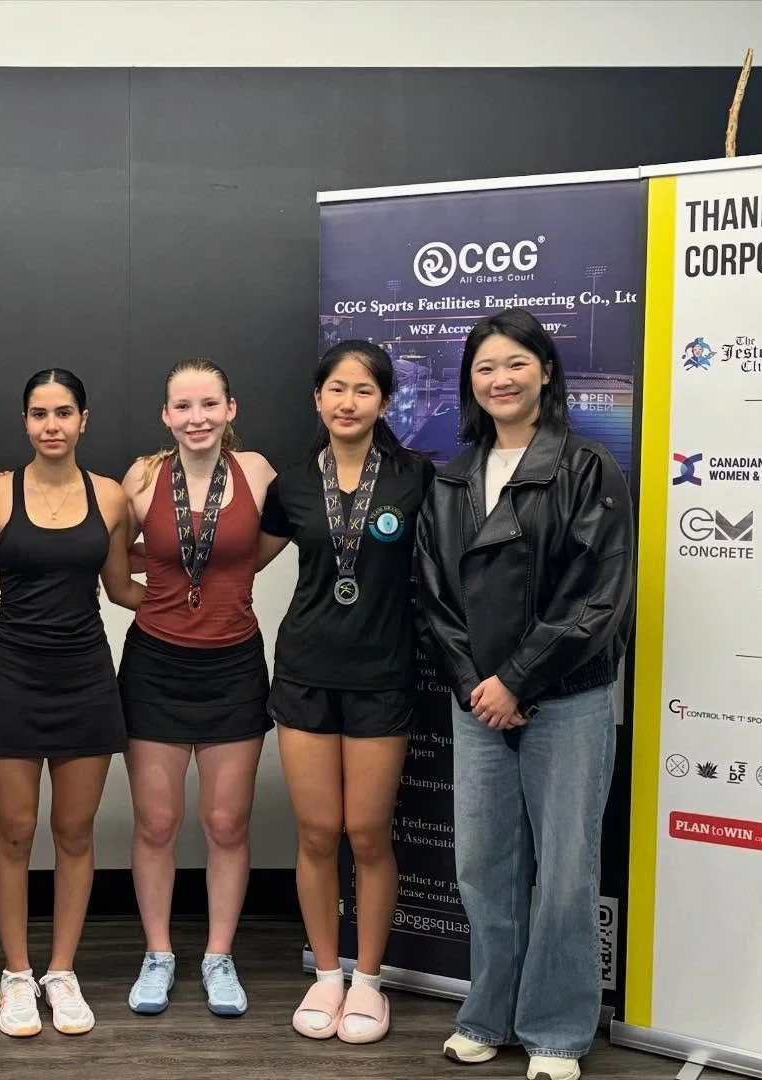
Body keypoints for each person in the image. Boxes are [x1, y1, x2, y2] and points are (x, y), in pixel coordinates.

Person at [416, 309, 633, 1080]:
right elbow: (434, 596)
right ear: (470, 383)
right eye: (484, 367)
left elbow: (598, 599)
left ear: (544, 370)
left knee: (567, 872)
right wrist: (479, 684)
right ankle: (489, 1014)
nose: (500, 379)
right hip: (477, 702)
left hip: (566, 697)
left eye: (515, 363)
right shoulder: (450, 477)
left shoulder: (587, 468)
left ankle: (557, 1031)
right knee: (484, 866)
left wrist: (517, 680)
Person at [256, 340, 435, 1045]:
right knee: (316, 833)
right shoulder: (293, 483)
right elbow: (239, 556)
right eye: (336, 388)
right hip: (303, 671)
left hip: (382, 675)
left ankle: (368, 980)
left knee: (366, 833)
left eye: (363, 390)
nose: (348, 402)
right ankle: (326, 975)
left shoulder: (417, 478)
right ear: (317, 399)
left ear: (383, 403)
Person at [0, 368, 143, 1039]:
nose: (51, 426)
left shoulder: (112, 496)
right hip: (10, 675)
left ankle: (60, 971)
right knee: (13, 831)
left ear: (84, 420)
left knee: (73, 833)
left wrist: (204, 589)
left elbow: (123, 588)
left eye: (63, 413)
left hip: (86, 680)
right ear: (25, 422)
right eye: (39, 414)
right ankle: (16, 974)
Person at [117, 358, 276, 1018]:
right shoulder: (143, 476)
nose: (197, 418)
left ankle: (217, 955)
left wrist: (222, 586)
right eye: (183, 406)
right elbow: (115, 551)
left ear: (230, 409)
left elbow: (262, 545)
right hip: (155, 665)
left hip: (233, 665)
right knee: (157, 823)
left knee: (225, 822)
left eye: (209, 404)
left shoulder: (259, 472)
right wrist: (162, 582)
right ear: (166, 416)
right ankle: (158, 953)